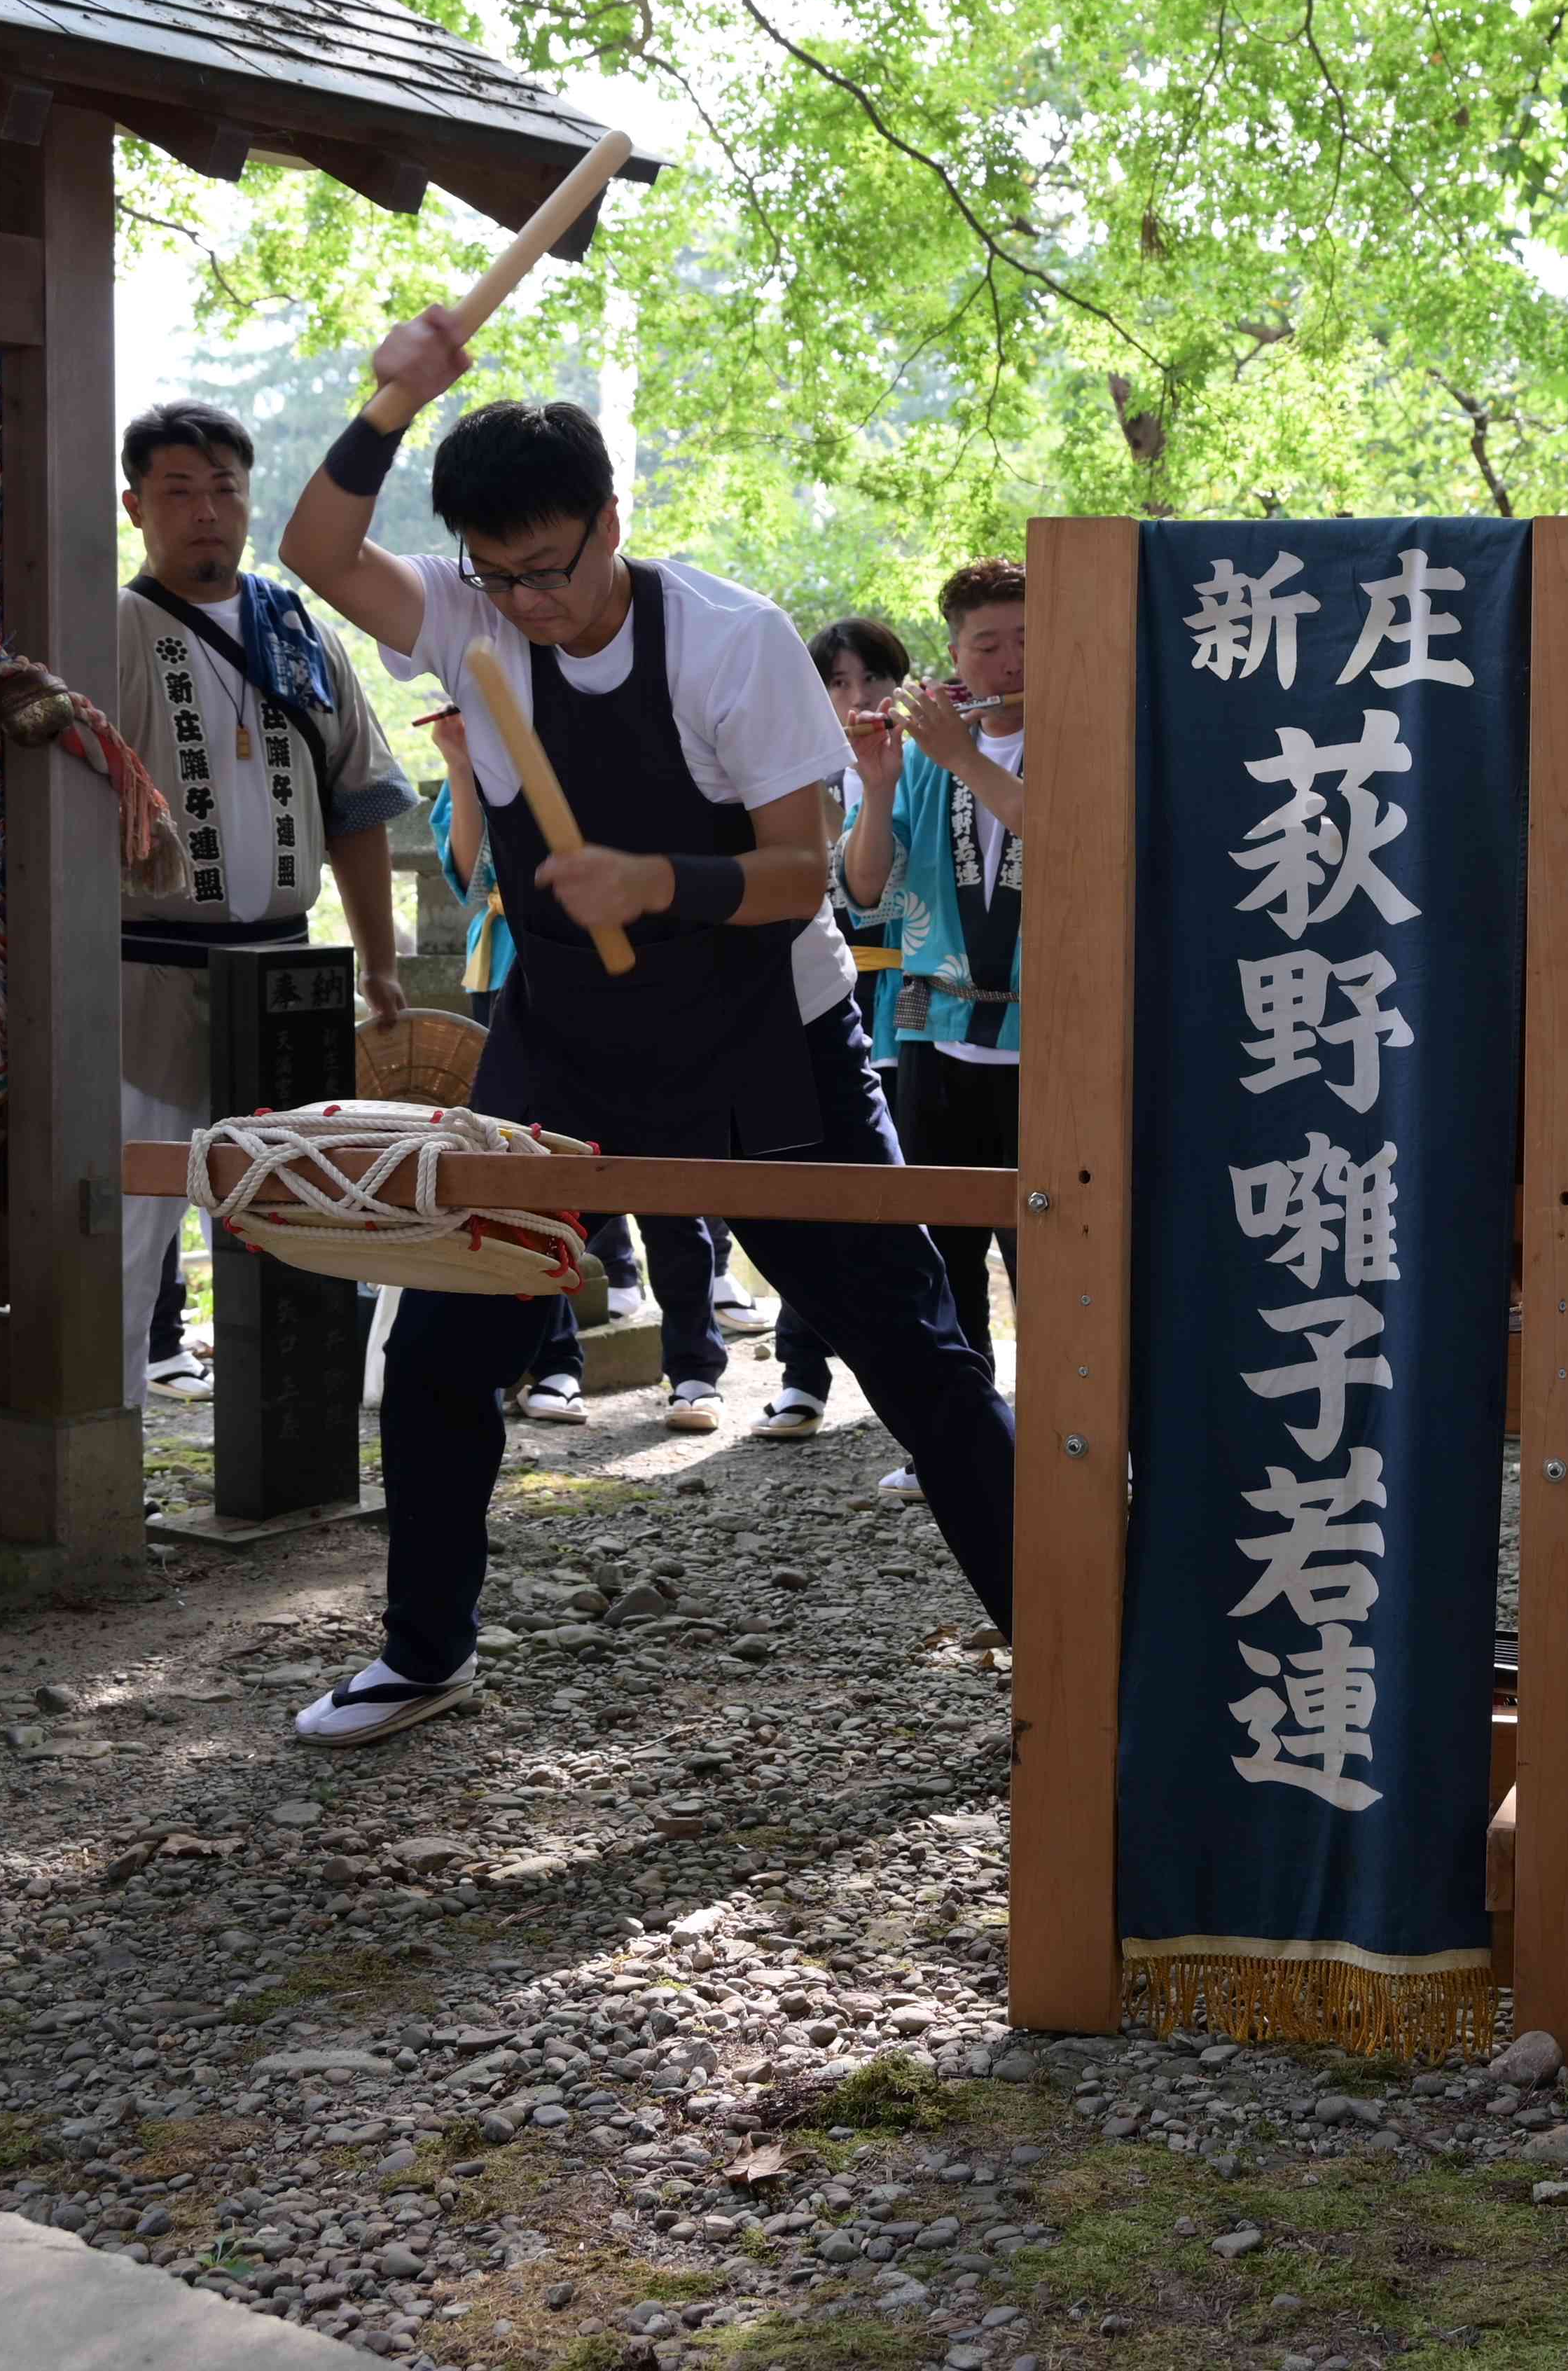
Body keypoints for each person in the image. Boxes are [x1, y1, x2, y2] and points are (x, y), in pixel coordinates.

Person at [271, 317, 1018, 1745]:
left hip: (767, 1039)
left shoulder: (732, 643)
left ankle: (1074, 1642)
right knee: (441, 1347)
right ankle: (424, 1652)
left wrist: (655, 881)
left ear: (610, 520)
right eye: (499, 573)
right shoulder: (469, 617)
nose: (529, 602)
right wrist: (393, 401)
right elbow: (317, 549)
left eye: (551, 567)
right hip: (560, 1040)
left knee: (913, 1352)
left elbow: (799, 875)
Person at [110, 399, 412, 1404]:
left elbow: (359, 804)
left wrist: (379, 961)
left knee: (296, 1211)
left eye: (224, 489)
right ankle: (103, 1448)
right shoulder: (108, 630)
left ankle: (296, 1435)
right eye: (178, 491)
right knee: (134, 1215)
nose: (206, 511)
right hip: (146, 971)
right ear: (135, 506)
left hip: (287, 973)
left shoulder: (301, 631)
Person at [423, 704, 712, 1431]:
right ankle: (553, 1361)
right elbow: (471, 878)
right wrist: (461, 764)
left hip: (640, 983)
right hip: (524, 983)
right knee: (531, 1182)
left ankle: (694, 1367)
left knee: (666, 1180)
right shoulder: (489, 749)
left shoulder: (627, 738)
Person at [846, 560, 1031, 1371]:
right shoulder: (925, 755)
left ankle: (1068, 1421)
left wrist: (961, 757)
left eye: (1027, 639)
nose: (1010, 662)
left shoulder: (1089, 734)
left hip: (1049, 1030)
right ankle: (969, 1419)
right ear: (955, 655)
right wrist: (878, 785)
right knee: (942, 1246)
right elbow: (866, 891)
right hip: (930, 1017)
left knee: (1050, 1246)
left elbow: (1072, 838)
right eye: (987, 645)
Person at [759, 614, 919, 1437]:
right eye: (837, 682)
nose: (858, 698)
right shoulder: (799, 776)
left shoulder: (933, 759)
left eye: (873, 678)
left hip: (916, 999)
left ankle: (927, 1381)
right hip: (823, 998)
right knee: (806, 1183)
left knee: (896, 1185)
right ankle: (801, 1370)